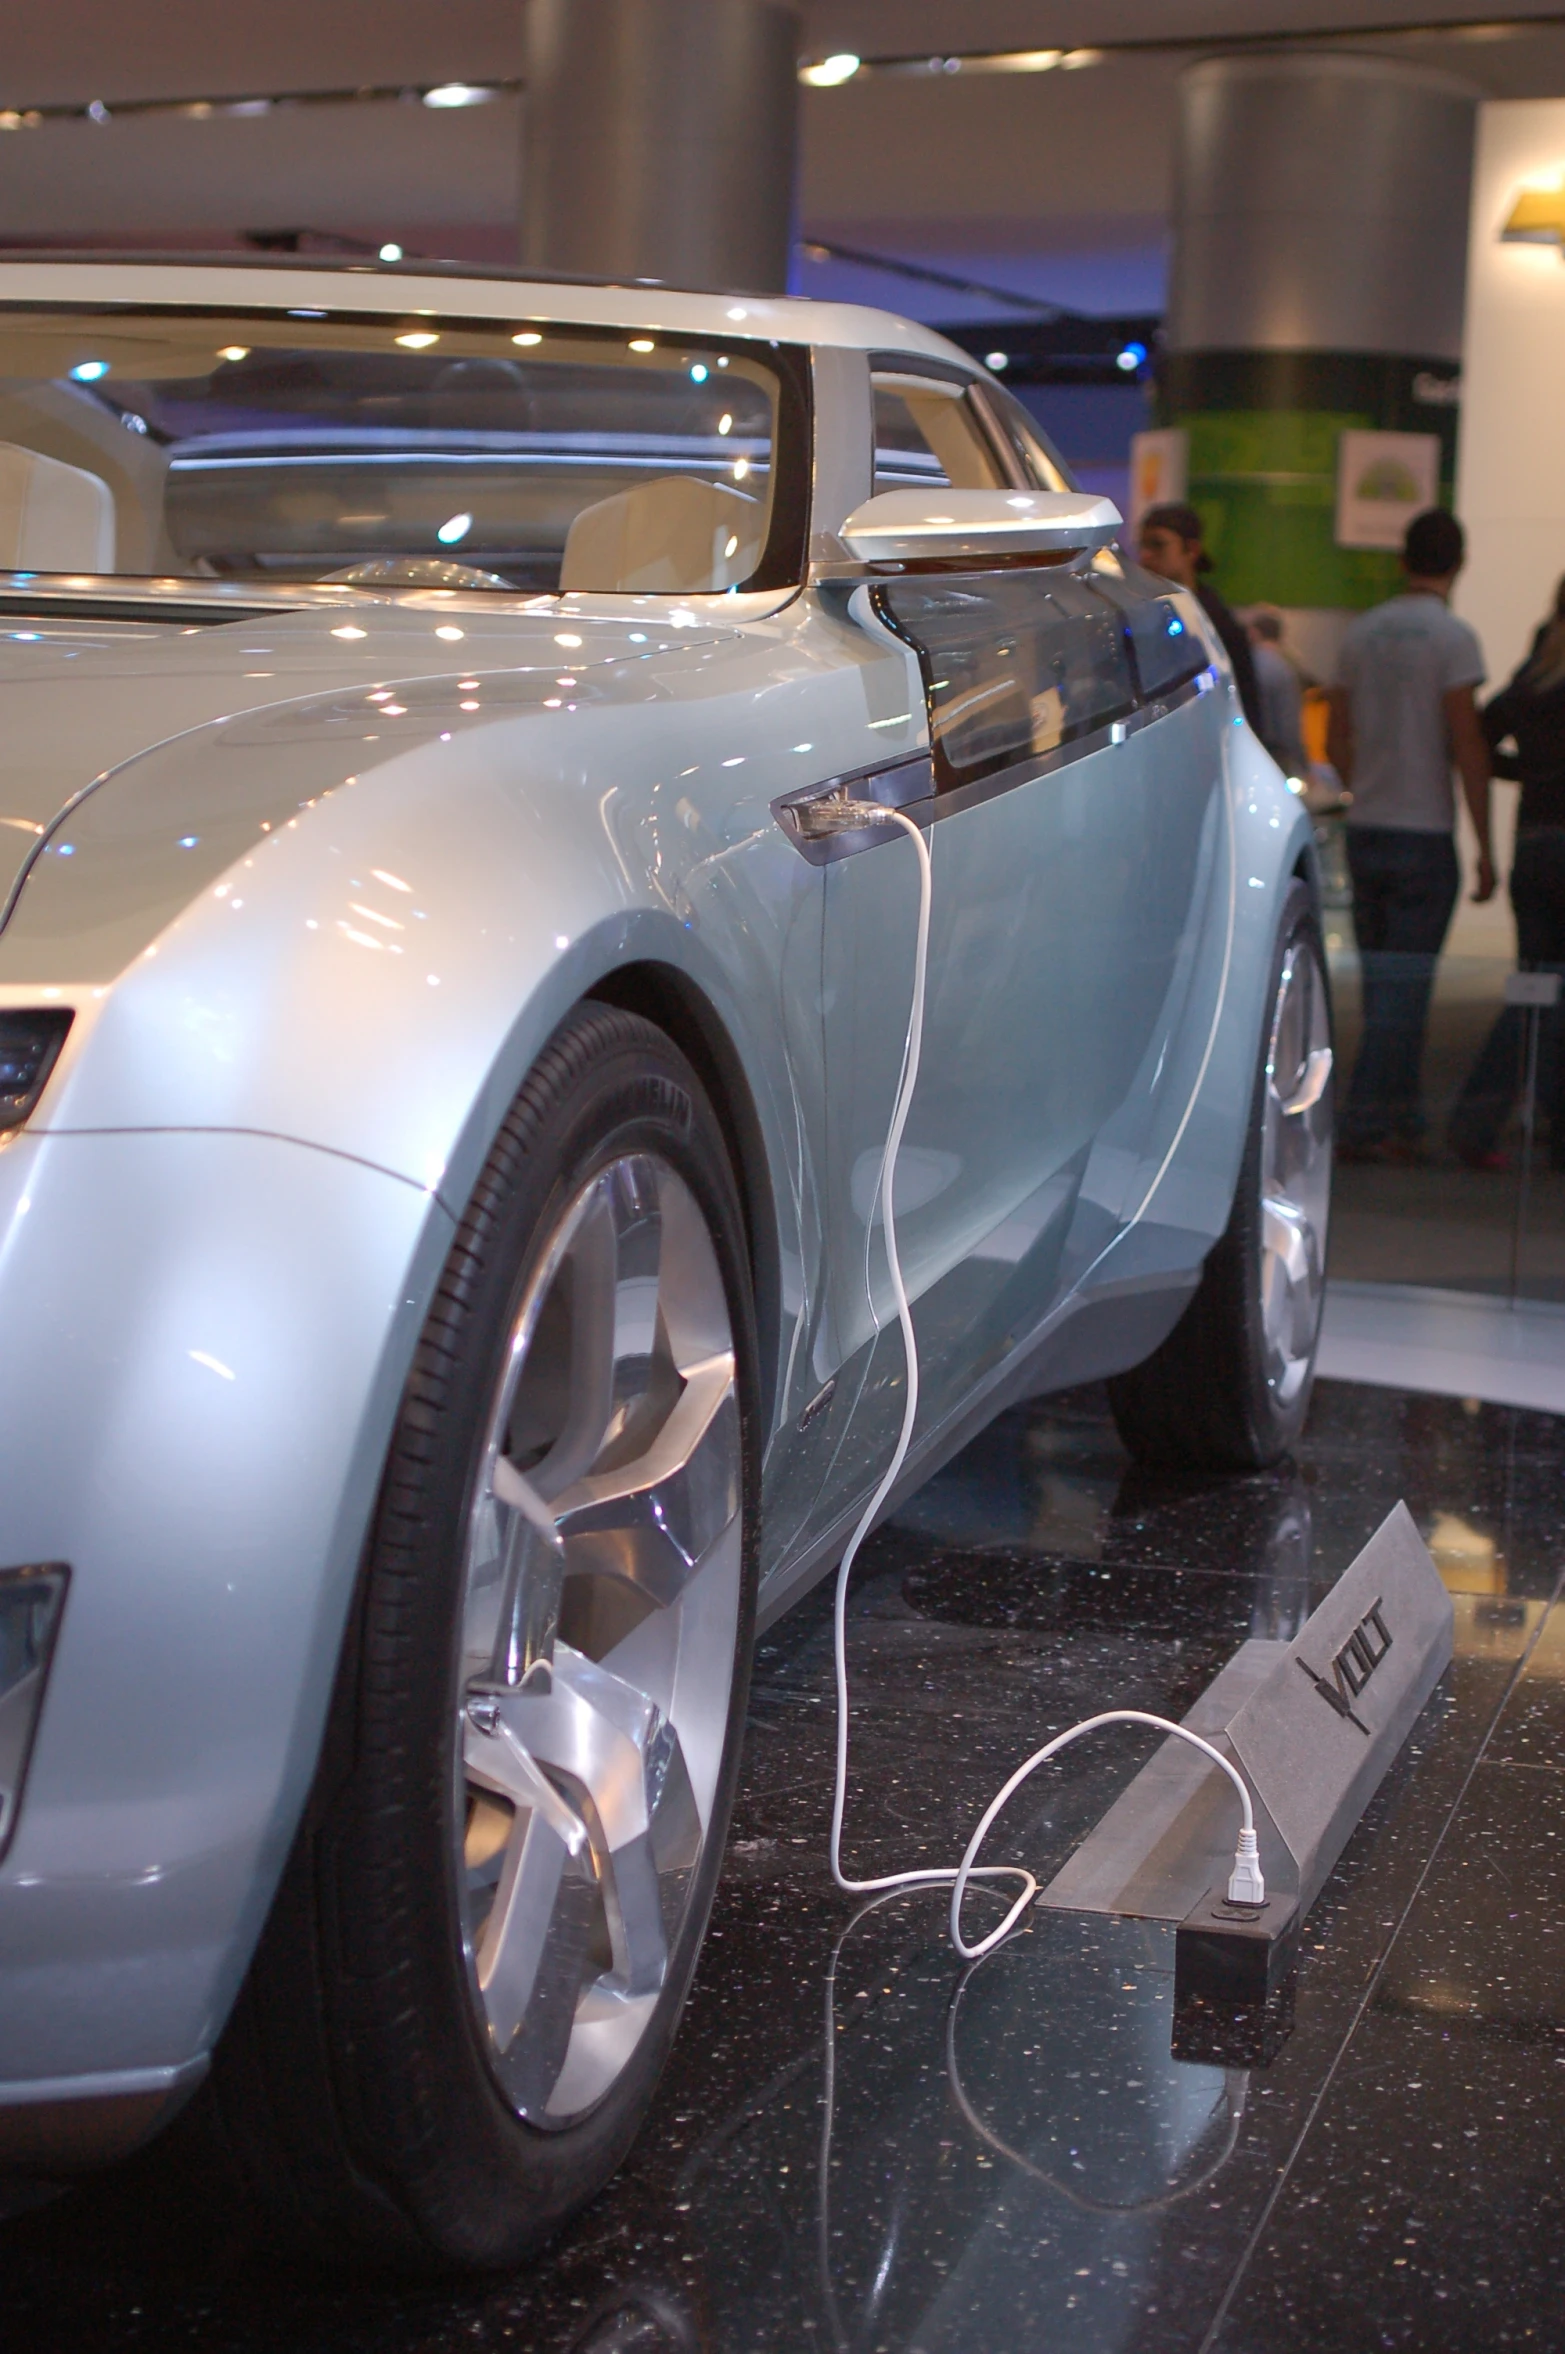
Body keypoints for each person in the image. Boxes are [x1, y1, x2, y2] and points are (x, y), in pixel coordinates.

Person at [1327, 507, 1495, 1162]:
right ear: (1458, 563)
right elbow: (1467, 742)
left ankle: (1401, 1117)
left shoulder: (1360, 635)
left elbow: (1337, 732)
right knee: (1407, 988)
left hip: (1367, 825)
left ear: (1401, 560)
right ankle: (1366, 1119)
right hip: (1423, 829)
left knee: (1381, 985)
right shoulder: (1453, 638)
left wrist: (1359, 782)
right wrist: (1484, 844)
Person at [1447, 575, 1565, 1170]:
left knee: (1534, 987)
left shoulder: (1536, 674)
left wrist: (1532, 776)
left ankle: (1477, 1120)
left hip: (1535, 847)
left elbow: (1478, 741)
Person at [1137, 501, 1264, 738]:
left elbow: (1245, 703)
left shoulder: (1216, 622)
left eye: (1158, 545)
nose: (1145, 556)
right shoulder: (1141, 616)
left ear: (1191, 550)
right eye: (1143, 545)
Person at [1247, 606, 1310, 777]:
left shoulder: (1246, 665)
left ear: (1254, 633)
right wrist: (1303, 765)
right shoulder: (1284, 668)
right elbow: (1289, 724)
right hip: (1276, 757)